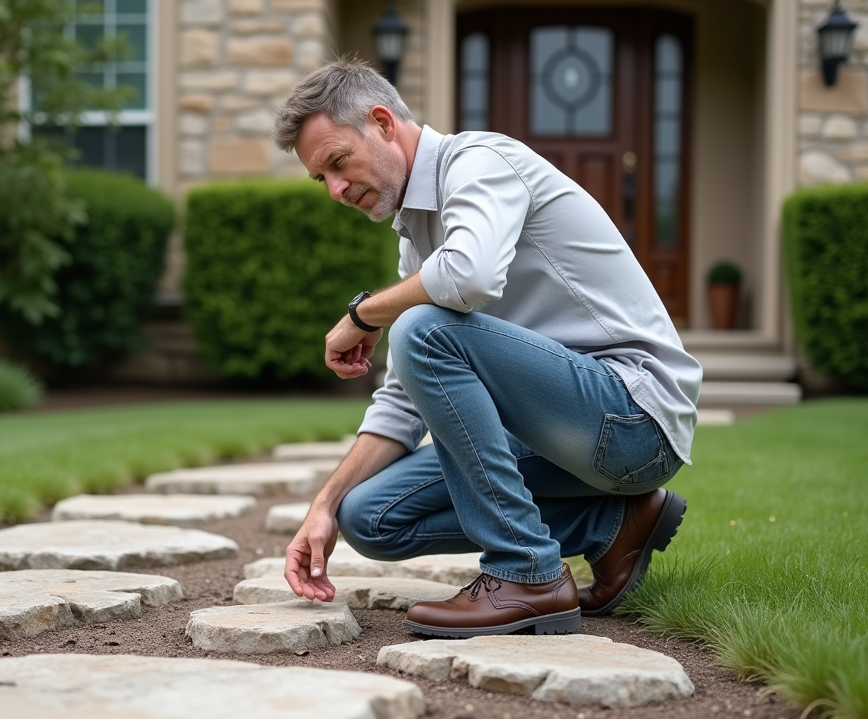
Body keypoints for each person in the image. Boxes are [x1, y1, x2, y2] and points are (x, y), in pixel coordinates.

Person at [271, 57, 701, 638]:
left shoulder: (481, 164)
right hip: (565, 438)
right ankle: (613, 522)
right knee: (368, 517)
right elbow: (402, 403)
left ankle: (526, 573)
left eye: (337, 163)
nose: (335, 190)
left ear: (381, 122)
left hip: (632, 419)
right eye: (321, 178)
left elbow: (468, 277)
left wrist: (362, 313)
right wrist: (322, 505)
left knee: (421, 327)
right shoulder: (418, 236)